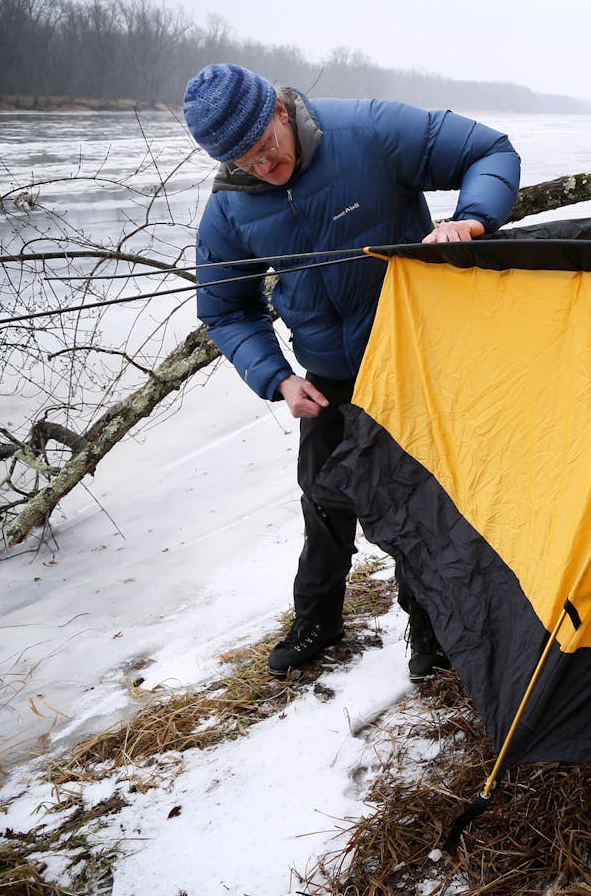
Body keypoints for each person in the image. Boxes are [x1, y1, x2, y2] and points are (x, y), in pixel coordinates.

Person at [181, 63, 520, 680]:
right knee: (324, 499)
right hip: (327, 377)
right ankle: (318, 617)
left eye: (265, 150)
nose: (262, 168)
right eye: (242, 162)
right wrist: (278, 378)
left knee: (423, 503)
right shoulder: (230, 206)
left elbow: (489, 150)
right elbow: (226, 308)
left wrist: (470, 219)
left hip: (413, 358)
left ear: (280, 111)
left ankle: (432, 627)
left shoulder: (367, 129)